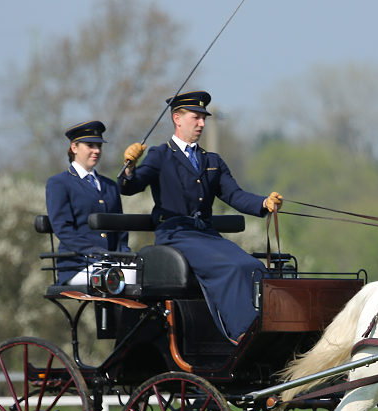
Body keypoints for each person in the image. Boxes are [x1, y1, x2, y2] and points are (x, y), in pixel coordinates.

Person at [119, 91, 283, 343]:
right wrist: (130, 167)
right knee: (232, 268)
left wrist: (264, 202)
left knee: (255, 267)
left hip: (206, 235)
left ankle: (268, 329)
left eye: (204, 118)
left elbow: (235, 195)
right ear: (177, 118)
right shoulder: (160, 155)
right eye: (196, 117)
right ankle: (243, 334)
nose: (202, 124)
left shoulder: (212, 160)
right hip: (176, 235)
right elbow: (131, 186)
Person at [45, 121, 135, 285]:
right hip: (77, 264)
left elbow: (119, 227)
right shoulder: (59, 183)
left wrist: (124, 252)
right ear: (74, 148)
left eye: (99, 146)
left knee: (141, 273)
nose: (96, 151)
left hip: (109, 263)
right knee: (122, 279)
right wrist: (94, 252)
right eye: (90, 145)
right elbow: (63, 228)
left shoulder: (110, 185)